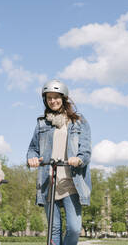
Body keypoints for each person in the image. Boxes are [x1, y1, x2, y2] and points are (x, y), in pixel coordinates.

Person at [27, 79, 92, 245]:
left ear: (64, 98)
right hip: (49, 181)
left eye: (56, 97)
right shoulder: (42, 123)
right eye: (49, 97)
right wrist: (32, 158)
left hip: (71, 182)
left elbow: (85, 151)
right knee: (53, 230)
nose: (52, 101)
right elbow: (33, 149)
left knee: (74, 228)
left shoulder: (78, 121)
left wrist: (78, 159)